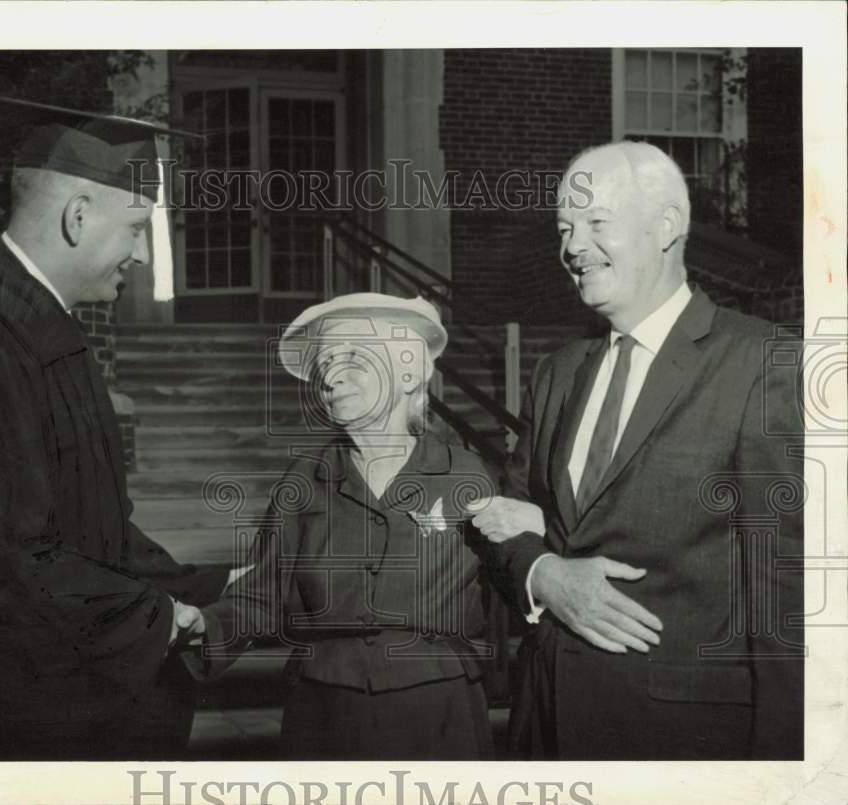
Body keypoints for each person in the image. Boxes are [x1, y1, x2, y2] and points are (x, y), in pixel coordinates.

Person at [0, 99, 230, 760]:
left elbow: (84, 520)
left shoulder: (35, 316)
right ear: (78, 218)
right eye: (135, 229)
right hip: (2, 721)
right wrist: (158, 618)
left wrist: (210, 584)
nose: (139, 254)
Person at [478, 141, 803, 760]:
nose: (572, 247)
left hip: (682, 747)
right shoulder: (557, 373)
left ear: (665, 227)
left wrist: (787, 775)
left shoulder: (762, 362)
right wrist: (543, 574)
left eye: (597, 223)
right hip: (543, 730)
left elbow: (789, 589)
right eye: (565, 228)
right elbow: (505, 522)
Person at [174, 294, 543, 760]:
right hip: (325, 709)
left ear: (410, 372)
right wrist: (202, 626)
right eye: (324, 363)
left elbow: (516, 575)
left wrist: (544, 531)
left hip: (436, 707)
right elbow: (260, 592)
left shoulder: (463, 473)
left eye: (351, 357)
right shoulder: (303, 480)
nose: (329, 376)